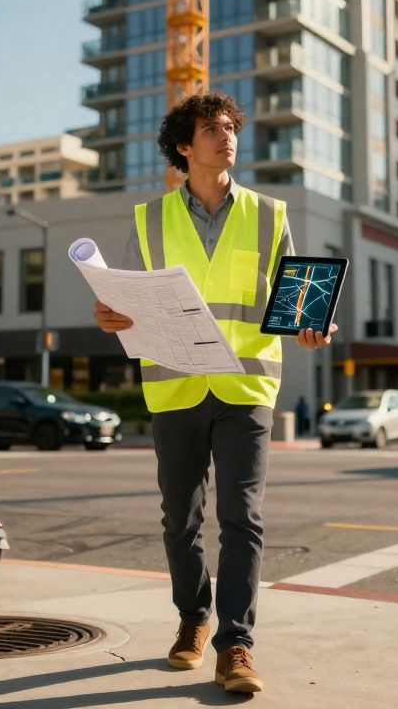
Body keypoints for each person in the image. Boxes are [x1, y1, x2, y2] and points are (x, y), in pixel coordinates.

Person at [93, 92, 334, 695]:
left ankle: (238, 644)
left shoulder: (269, 213)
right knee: (181, 519)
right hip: (174, 387)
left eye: (230, 127)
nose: (225, 136)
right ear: (183, 145)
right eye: (210, 128)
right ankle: (193, 618)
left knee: (242, 517)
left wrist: (311, 327)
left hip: (246, 385)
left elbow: (294, 306)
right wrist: (110, 314)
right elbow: (124, 300)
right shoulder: (149, 220)